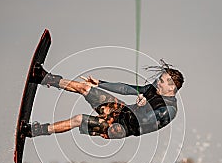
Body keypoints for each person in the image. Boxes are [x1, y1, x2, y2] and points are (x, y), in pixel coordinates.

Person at [22, 60, 184, 139]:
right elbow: (125, 88)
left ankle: (34, 131)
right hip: (120, 110)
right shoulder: (153, 89)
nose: (157, 82)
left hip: (120, 127)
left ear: (171, 88)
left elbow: (145, 122)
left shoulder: (169, 110)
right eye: (159, 79)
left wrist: (144, 106)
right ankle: (46, 78)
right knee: (86, 88)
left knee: (79, 119)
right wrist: (100, 83)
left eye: (161, 81)